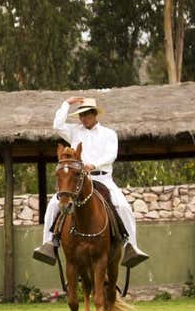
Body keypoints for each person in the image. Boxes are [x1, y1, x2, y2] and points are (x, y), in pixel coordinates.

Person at [33, 97, 149, 268]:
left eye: (86, 114)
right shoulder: (74, 131)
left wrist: (93, 165)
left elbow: (111, 155)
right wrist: (67, 103)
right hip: (79, 179)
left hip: (102, 178)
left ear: (95, 115)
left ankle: (131, 246)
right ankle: (49, 244)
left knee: (123, 207)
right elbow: (57, 125)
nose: (83, 118)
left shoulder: (109, 133)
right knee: (53, 205)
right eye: (80, 115)